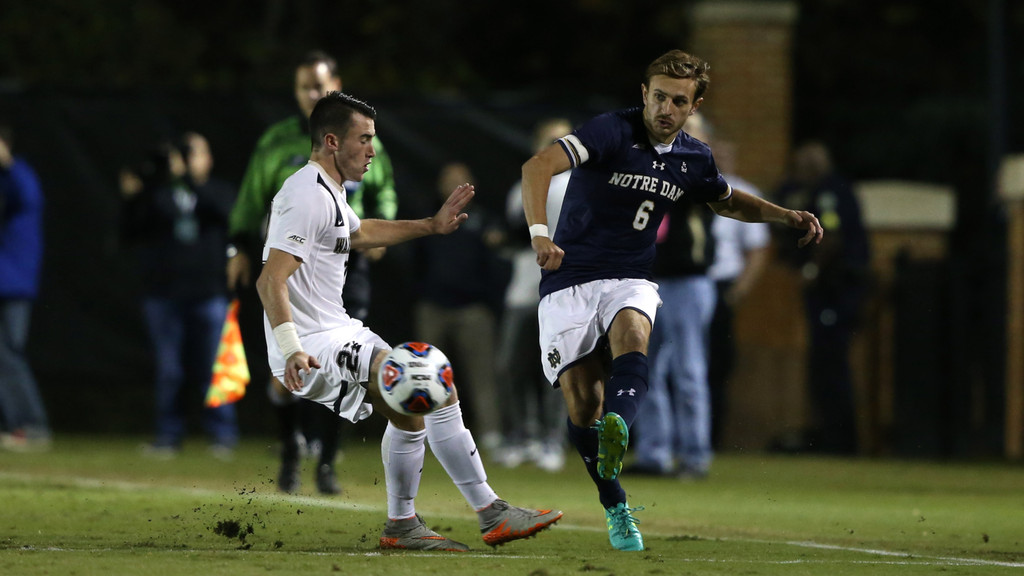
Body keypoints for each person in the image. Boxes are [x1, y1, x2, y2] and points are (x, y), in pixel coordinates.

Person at [520, 49, 823, 551]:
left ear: (693, 104)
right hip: (567, 277)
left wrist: (785, 215)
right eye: (658, 96)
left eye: (677, 101)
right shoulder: (610, 132)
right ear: (644, 94)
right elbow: (538, 166)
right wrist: (538, 233)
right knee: (581, 406)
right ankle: (615, 500)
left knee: (634, 333)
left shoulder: (693, 157)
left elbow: (728, 201)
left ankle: (621, 424)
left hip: (629, 277)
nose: (665, 108)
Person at [256, 91, 561, 551]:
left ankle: (417, 523)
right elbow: (269, 280)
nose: (372, 150)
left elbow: (358, 232)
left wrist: (431, 225)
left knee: (427, 393)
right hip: (309, 342)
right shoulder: (303, 193)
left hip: (335, 330)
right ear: (333, 141)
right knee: (416, 377)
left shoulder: (329, 189)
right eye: (364, 139)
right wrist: (291, 345)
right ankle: (481, 514)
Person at [228, 50, 398, 494]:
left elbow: (384, 192)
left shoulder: (360, 137)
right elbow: (250, 200)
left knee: (342, 361)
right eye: (303, 86)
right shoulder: (279, 142)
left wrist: (385, 229)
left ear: (334, 85)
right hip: (290, 265)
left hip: (345, 263)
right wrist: (238, 247)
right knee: (288, 370)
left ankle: (326, 462)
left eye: (318, 85)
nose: (310, 93)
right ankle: (289, 451)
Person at [120, 132, 239, 458]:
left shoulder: (218, 190)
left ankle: (222, 435)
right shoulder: (159, 194)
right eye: (183, 155)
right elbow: (131, 232)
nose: (187, 160)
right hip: (164, 294)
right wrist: (136, 196)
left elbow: (228, 216)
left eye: (194, 154)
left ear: (208, 159)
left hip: (208, 292)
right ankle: (168, 436)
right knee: (170, 370)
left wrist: (191, 180)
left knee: (213, 368)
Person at [774, 141, 870, 455]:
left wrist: (811, 269)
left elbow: (831, 237)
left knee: (832, 364)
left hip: (837, 290)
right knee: (824, 363)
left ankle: (841, 441)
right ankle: (830, 435)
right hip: (828, 291)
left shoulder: (831, 192)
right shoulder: (811, 190)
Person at [495, 118, 573, 472]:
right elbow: (514, 237)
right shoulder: (520, 186)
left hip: (561, 293)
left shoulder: (577, 184)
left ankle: (552, 441)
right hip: (522, 291)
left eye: (562, 140)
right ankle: (524, 435)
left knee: (556, 370)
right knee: (511, 365)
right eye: (549, 140)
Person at [413, 161, 505, 447]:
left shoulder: (484, 221)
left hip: (473, 309)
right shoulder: (428, 219)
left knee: (482, 377)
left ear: (471, 187)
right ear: (440, 186)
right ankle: (421, 432)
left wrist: (488, 300)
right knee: (425, 376)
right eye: (448, 180)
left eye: (460, 181)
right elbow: (415, 263)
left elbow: (496, 267)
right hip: (433, 307)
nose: (453, 187)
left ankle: (491, 434)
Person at [628, 194, 717, 480]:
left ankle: (695, 456)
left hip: (687, 282)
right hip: (648, 282)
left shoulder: (688, 177)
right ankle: (654, 454)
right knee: (645, 371)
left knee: (688, 371)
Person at [0, 125, 51, 451]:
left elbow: (27, 197)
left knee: (10, 354)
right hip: (6, 280)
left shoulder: (20, 176)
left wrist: (7, 162)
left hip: (13, 282)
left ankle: (32, 425)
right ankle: (18, 425)